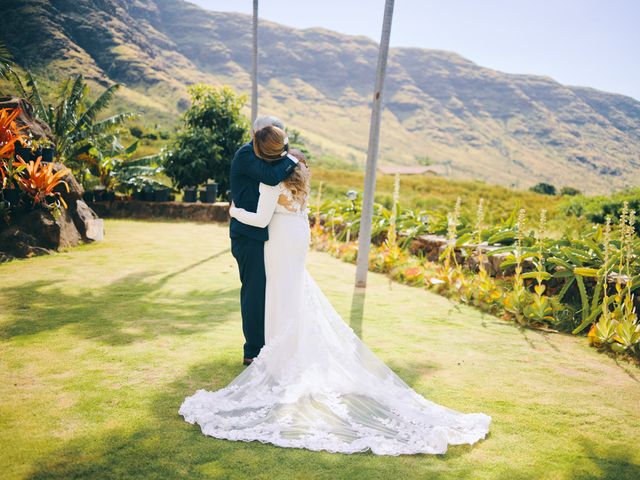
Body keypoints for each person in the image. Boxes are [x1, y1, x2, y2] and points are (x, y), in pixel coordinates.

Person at [179, 126, 491, 455]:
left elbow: (258, 220)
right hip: (298, 236)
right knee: (294, 293)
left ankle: (279, 361)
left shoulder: (271, 182)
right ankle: (286, 354)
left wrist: (233, 210)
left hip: (279, 241)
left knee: (279, 298)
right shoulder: (300, 176)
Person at [228, 116, 298, 366]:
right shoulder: (246, 154)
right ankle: (253, 350)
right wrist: (291, 157)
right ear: (256, 135)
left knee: (275, 291)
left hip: (271, 234)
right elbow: (271, 177)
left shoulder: (271, 156)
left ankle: (275, 344)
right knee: (254, 293)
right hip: (248, 234)